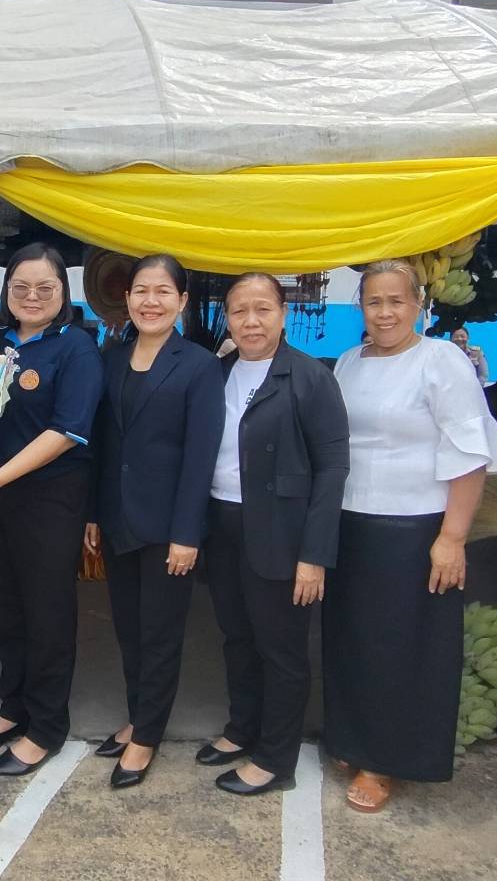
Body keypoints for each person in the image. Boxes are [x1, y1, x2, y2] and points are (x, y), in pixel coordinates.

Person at [326, 260, 497, 815]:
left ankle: (383, 761)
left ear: (418, 304)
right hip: (350, 522)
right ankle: (354, 740)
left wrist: (452, 537)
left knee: (400, 648)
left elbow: (470, 453)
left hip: (414, 528)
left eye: (396, 301)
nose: (385, 313)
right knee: (353, 641)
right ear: (361, 307)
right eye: (373, 302)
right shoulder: (348, 362)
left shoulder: (441, 361)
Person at [196, 272, 349, 798]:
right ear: (228, 318)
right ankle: (243, 728)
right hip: (223, 525)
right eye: (240, 310)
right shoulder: (216, 373)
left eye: (263, 309)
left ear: (283, 314)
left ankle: (276, 757)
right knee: (237, 636)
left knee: (280, 648)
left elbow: (332, 468)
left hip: (282, 532)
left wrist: (314, 554)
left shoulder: (309, 377)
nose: (251, 321)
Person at [0, 243, 103, 777]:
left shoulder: (77, 348)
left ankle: (46, 726)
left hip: (50, 498)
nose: (32, 296)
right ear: (6, 291)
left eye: (45, 287)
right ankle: (13, 704)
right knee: (7, 604)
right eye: (21, 287)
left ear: (63, 292)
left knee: (47, 612)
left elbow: (67, 431)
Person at [84, 254, 222, 789]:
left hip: (169, 528)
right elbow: (103, 443)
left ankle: (148, 735)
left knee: (160, 634)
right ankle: (137, 715)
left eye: (163, 291)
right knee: (129, 628)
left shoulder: (199, 366)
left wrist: (187, 532)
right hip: (119, 518)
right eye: (142, 290)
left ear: (181, 301)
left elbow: (201, 456)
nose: (150, 301)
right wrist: (94, 512)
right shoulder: (112, 357)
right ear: (127, 297)